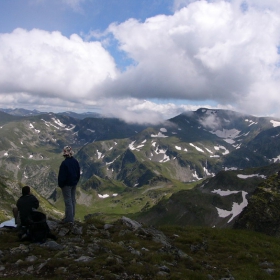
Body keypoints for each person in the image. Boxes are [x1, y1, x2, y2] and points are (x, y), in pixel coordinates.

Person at [58, 146, 80, 223]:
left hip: (66, 185)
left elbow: (62, 176)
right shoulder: (75, 161)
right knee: (72, 200)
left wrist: (61, 184)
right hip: (74, 183)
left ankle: (69, 219)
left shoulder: (64, 163)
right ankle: (70, 217)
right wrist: (76, 181)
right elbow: (78, 172)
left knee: (68, 201)